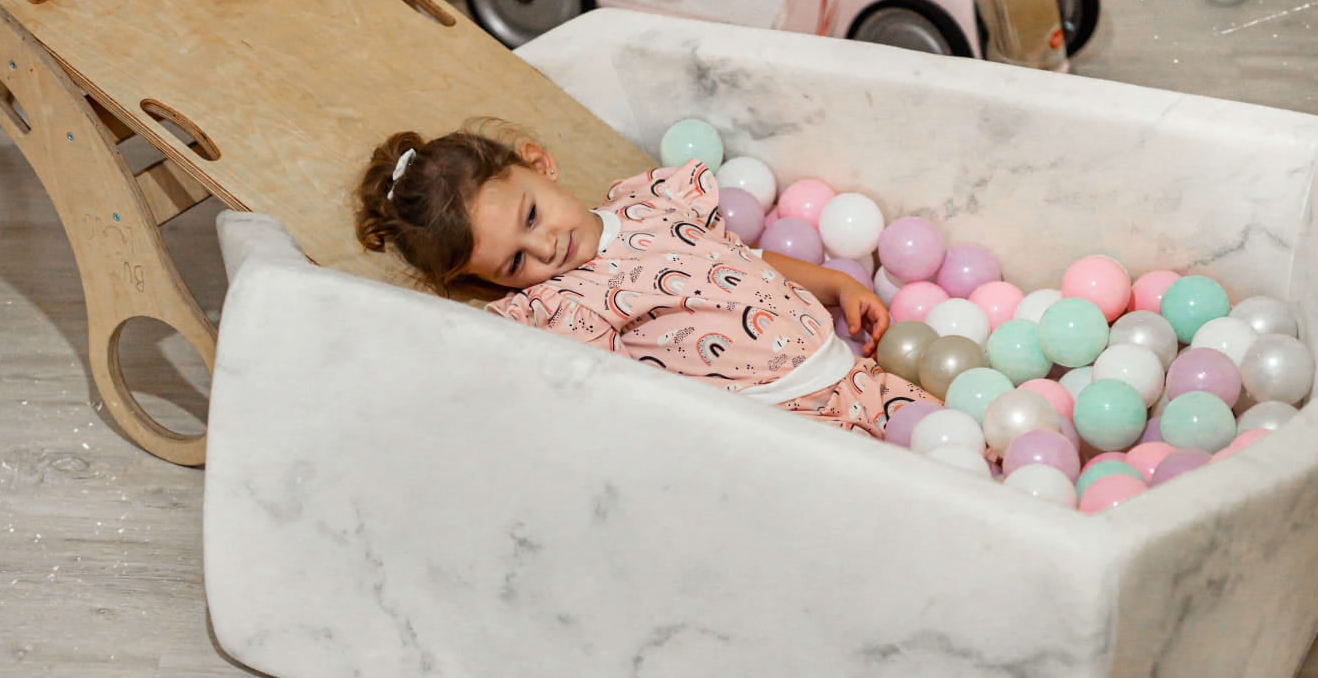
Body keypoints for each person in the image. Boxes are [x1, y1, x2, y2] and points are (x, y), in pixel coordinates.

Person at [354, 124, 931, 438]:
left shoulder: (651, 201)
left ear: (539, 162)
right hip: (789, 423)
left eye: (531, 216)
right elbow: (618, 407)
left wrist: (834, 285)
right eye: (513, 263)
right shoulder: (565, 307)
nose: (544, 247)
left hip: (860, 376)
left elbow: (741, 258)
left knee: (962, 456)